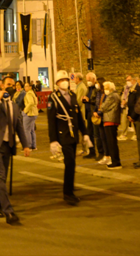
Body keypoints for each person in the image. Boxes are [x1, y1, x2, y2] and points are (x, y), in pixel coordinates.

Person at [0, 77, 30, 224]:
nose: (8, 88)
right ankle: (8, 211)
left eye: (11, 85)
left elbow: (19, 126)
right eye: (6, 85)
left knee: (0, 178)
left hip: (8, 145)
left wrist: (26, 144)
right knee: (1, 177)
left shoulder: (14, 105)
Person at [48, 70, 89, 205]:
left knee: (72, 163)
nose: (64, 82)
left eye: (66, 79)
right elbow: (51, 121)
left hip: (73, 135)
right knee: (70, 163)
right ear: (57, 83)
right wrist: (53, 140)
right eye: (62, 80)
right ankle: (68, 193)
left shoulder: (72, 95)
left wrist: (85, 133)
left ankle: (70, 186)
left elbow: (78, 116)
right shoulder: (53, 98)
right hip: (63, 135)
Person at [96, 81, 122, 169]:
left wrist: (100, 110)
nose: (105, 90)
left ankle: (116, 161)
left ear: (111, 88)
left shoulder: (111, 96)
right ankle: (115, 160)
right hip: (111, 119)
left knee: (111, 142)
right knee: (111, 142)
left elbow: (104, 106)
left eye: (106, 88)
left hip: (110, 120)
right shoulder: (115, 95)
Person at [126, 75, 140, 168]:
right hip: (134, 117)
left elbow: (137, 105)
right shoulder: (132, 91)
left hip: (138, 117)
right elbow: (130, 103)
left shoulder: (138, 91)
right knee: (139, 139)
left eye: (129, 80)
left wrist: (133, 116)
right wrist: (129, 115)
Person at [82, 72, 103, 160]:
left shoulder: (97, 89)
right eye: (87, 80)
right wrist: (84, 99)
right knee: (89, 134)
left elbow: (97, 102)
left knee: (97, 134)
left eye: (89, 80)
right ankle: (92, 151)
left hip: (94, 113)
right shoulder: (89, 88)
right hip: (88, 113)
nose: (88, 82)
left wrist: (89, 100)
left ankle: (100, 152)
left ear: (94, 79)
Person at [23, 82, 38, 150]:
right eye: (25, 86)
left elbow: (31, 103)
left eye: (26, 86)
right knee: (32, 130)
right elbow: (36, 102)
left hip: (30, 114)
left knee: (26, 130)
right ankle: (34, 146)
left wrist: (25, 111)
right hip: (34, 113)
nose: (25, 88)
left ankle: (29, 146)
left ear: (30, 87)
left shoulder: (28, 93)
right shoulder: (33, 93)